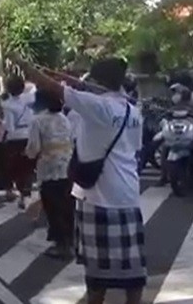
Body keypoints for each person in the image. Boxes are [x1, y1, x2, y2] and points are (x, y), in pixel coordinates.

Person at [13, 56, 146, 304]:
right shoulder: (134, 111)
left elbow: (54, 88)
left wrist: (25, 66)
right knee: (133, 271)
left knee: (97, 276)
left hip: (98, 197)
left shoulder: (97, 106)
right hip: (129, 195)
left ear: (98, 81)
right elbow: (134, 149)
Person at [25, 89, 75, 258]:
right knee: (68, 204)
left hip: (49, 167)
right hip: (67, 165)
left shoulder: (37, 121)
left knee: (53, 206)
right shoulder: (65, 119)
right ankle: (70, 239)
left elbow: (34, 148)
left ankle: (61, 244)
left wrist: (29, 155)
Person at [2, 74, 37, 209]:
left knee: (17, 168)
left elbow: (9, 127)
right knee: (28, 167)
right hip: (29, 135)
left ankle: (23, 194)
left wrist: (1, 122)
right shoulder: (29, 99)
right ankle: (26, 193)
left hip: (15, 139)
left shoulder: (8, 105)